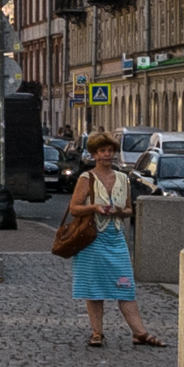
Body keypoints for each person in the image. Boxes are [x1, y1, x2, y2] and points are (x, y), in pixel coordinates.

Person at [66, 133, 158, 348]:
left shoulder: (122, 178)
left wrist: (118, 211)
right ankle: (97, 333)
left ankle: (139, 333)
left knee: (125, 286)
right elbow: (74, 208)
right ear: (94, 154)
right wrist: (94, 207)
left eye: (110, 151)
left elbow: (128, 209)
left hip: (115, 239)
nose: (107, 155)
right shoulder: (86, 178)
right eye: (102, 151)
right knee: (94, 288)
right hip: (91, 239)